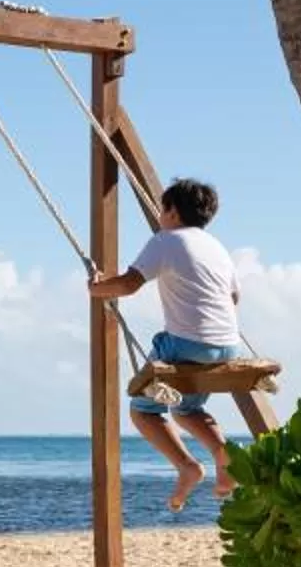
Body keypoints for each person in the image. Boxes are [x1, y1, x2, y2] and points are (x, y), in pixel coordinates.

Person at [89, 176, 242, 510]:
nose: (160, 215)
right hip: (227, 346)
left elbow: (129, 284)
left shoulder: (166, 240)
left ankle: (186, 466)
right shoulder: (217, 247)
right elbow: (234, 296)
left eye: (162, 209)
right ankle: (220, 452)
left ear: (171, 212)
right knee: (187, 409)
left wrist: (97, 288)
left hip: (186, 345)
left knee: (143, 411)